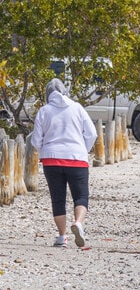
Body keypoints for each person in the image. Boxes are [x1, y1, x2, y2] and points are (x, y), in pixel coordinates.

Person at [31, 78, 98, 248]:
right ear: (65, 91)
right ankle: (78, 223)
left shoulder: (44, 111)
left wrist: (45, 150)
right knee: (81, 196)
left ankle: (62, 237)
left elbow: (36, 140)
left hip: (51, 159)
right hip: (77, 158)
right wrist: (82, 149)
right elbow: (92, 133)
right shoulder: (77, 108)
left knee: (58, 198)